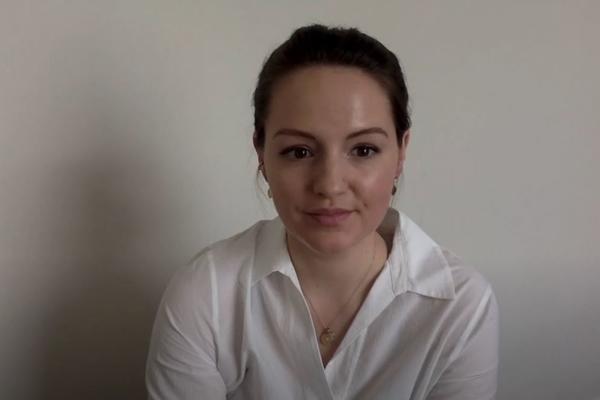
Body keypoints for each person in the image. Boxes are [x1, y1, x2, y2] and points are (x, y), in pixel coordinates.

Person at [145, 24, 499, 400]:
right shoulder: (206, 293)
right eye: (299, 151)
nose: (330, 185)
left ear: (401, 152)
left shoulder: (459, 306)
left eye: (363, 150)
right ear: (262, 154)